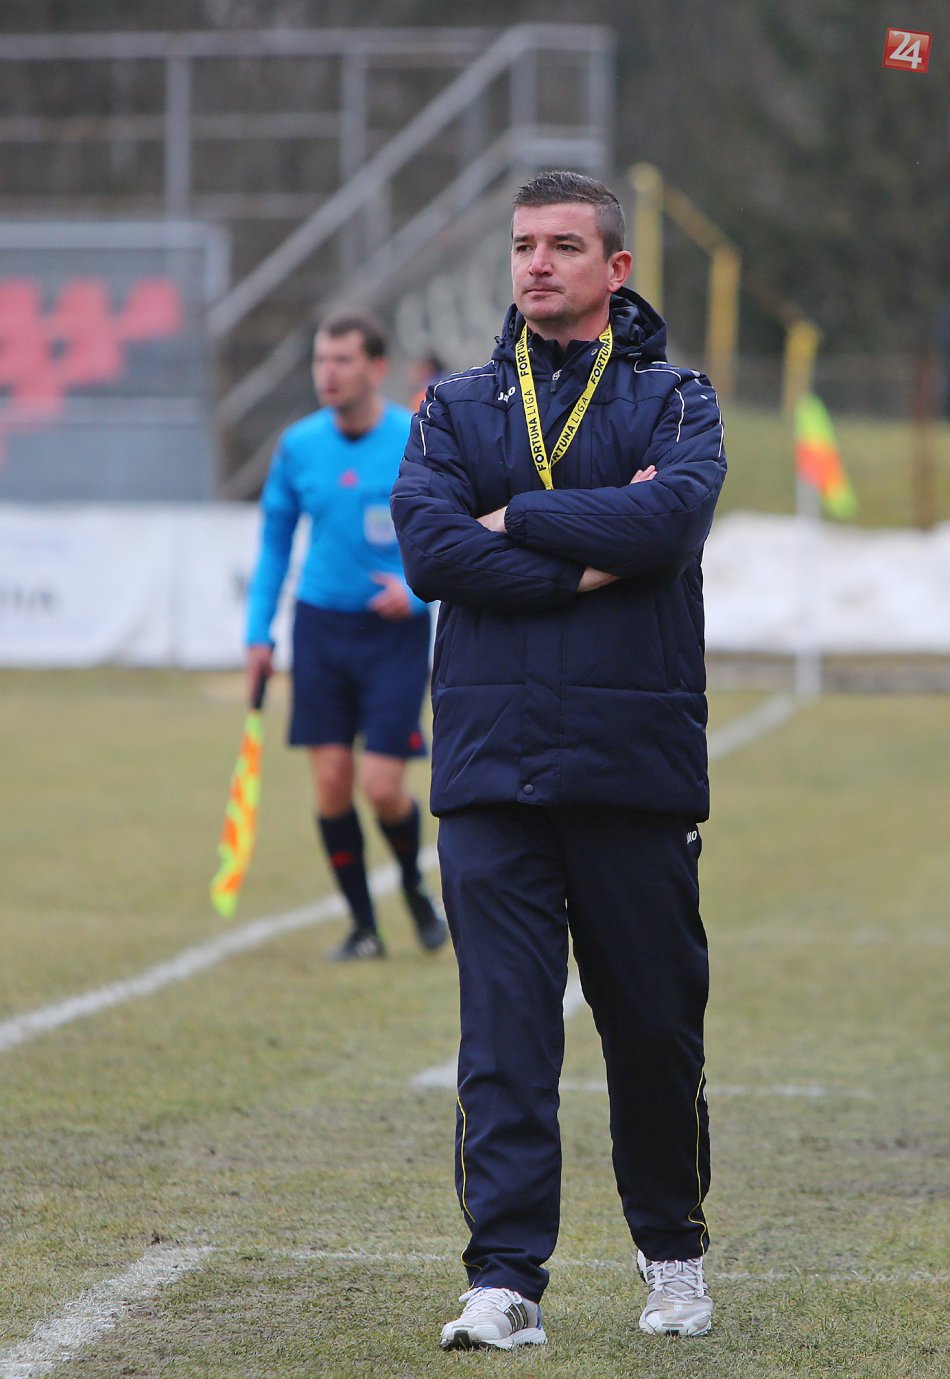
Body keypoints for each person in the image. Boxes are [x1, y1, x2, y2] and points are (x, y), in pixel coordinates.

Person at [391, 170, 726, 1348]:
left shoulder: (674, 399)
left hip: (632, 766)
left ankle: (671, 1253)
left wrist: (516, 517)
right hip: (491, 769)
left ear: (614, 268)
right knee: (503, 1038)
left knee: (653, 1030)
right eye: (524, 244)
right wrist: (592, 551)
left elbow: (668, 522)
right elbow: (431, 554)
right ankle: (503, 1278)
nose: (536, 262)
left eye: (563, 245)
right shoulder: (452, 406)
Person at [245, 310, 448, 961]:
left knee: (382, 786)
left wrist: (414, 591)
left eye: (342, 360)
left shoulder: (416, 437)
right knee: (332, 782)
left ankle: (414, 887)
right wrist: (258, 633)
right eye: (321, 360)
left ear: (376, 368)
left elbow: (454, 527)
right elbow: (275, 543)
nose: (327, 373)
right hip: (321, 629)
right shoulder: (298, 446)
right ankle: (364, 929)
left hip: (395, 635)